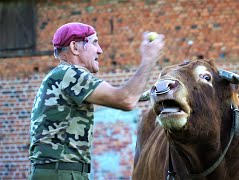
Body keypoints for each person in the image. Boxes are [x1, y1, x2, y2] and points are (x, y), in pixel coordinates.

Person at [29, 22, 164, 180]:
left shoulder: (60, 76)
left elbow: (124, 96)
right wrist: (148, 59)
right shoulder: (70, 73)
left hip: (60, 172)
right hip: (63, 174)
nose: (100, 50)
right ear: (75, 47)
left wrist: (150, 93)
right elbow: (125, 100)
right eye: (94, 42)